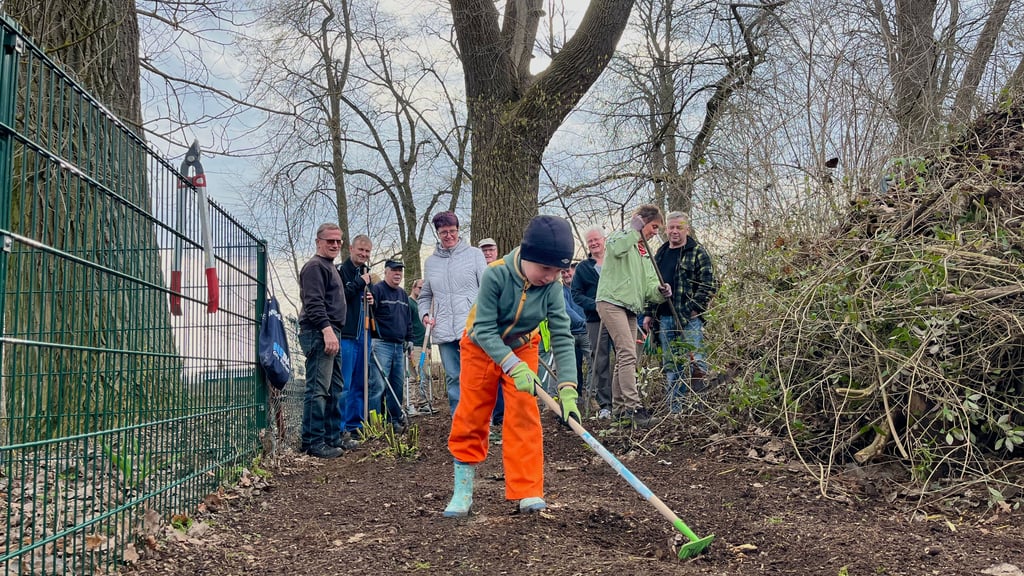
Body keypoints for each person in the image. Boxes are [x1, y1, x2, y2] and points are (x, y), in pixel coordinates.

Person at [443, 215, 581, 517]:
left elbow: (561, 334)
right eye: (545, 268)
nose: (550, 276)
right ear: (527, 255)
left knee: (524, 413)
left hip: (522, 345)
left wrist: (568, 387)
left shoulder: (552, 287)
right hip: (481, 346)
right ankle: (463, 491)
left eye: (558, 270)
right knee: (472, 413)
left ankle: (528, 489)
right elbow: (484, 329)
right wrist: (510, 366)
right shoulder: (496, 274)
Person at [595, 205, 671, 427]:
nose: (655, 232)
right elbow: (616, 248)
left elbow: (649, 285)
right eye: (654, 227)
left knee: (625, 356)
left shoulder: (644, 252)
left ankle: (619, 409)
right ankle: (634, 407)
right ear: (642, 222)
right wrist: (633, 230)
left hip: (629, 306)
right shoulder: (622, 237)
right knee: (628, 353)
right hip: (611, 301)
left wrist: (661, 291)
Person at [644, 212, 717, 412]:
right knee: (672, 365)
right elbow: (651, 284)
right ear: (666, 229)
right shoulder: (660, 253)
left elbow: (709, 284)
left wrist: (694, 309)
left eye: (679, 227)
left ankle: (699, 408)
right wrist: (649, 313)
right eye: (671, 227)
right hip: (665, 319)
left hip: (689, 319)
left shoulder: (697, 252)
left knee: (697, 363)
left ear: (687, 229)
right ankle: (676, 410)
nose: (675, 231)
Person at [418, 211, 487, 415]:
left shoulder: (474, 255)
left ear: (458, 231)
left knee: (476, 375)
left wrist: (485, 320)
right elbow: (425, 297)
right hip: (444, 329)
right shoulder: (431, 263)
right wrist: (425, 316)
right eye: (443, 232)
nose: (448, 236)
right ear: (437, 233)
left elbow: (487, 289)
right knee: (453, 376)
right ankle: (460, 420)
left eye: (452, 231)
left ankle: (483, 420)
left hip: (472, 328)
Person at [296, 223, 348, 458]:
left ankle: (332, 437)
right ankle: (312, 441)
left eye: (338, 241)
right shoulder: (315, 267)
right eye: (330, 241)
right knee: (318, 389)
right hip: (319, 332)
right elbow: (314, 303)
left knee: (335, 388)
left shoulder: (330, 267)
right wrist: (327, 330)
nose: (335, 245)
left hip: (333, 332)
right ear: (318, 242)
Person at [572, 227, 614, 419]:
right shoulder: (583, 268)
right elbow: (576, 295)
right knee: (600, 360)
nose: (594, 243)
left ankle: (626, 400)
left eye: (596, 239)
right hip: (595, 321)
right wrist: (595, 305)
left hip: (619, 316)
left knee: (625, 357)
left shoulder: (616, 262)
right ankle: (606, 404)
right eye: (590, 241)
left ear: (604, 240)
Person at [369, 256, 414, 431]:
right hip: (381, 345)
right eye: (394, 270)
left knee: (396, 384)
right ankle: (375, 424)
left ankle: (394, 420)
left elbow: (407, 319)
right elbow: (370, 314)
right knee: (378, 385)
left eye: (400, 271)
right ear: (386, 272)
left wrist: (410, 339)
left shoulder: (403, 294)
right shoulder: (378, 290)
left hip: (399, 346)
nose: (398, 274)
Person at [337, 234, 374, 445]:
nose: (364, 254)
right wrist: (359, 283)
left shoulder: (366, 273)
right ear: (351, 248)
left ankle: (356, 425)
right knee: (345, 383)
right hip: (348, 334)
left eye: (367, 251)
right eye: (361, 250)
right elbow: (340, 296)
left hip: (365, 334)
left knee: (361, 382)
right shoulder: (342, 272)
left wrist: (371, 299)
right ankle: (340, 429)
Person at [561, 263, 590, 390]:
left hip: (586, 333)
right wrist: (584, 322)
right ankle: (576, 395)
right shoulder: (560, 291)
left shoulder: (584, 287)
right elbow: (567, 310)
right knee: (573, 366)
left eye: (568, 271)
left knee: (593, 363)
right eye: (563, 273)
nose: (566, 275)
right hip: (570, 333)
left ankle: (592, 394)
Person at [407, 278, 431, 415]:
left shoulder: (423, 306)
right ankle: (412, 403)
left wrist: (428, 346)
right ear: (414, 288)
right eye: (420, 288)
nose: (421, 291)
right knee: (414, 375)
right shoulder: (409, 303)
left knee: (424, 374)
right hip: (414, 345)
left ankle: (423, 403)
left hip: (424, 344)